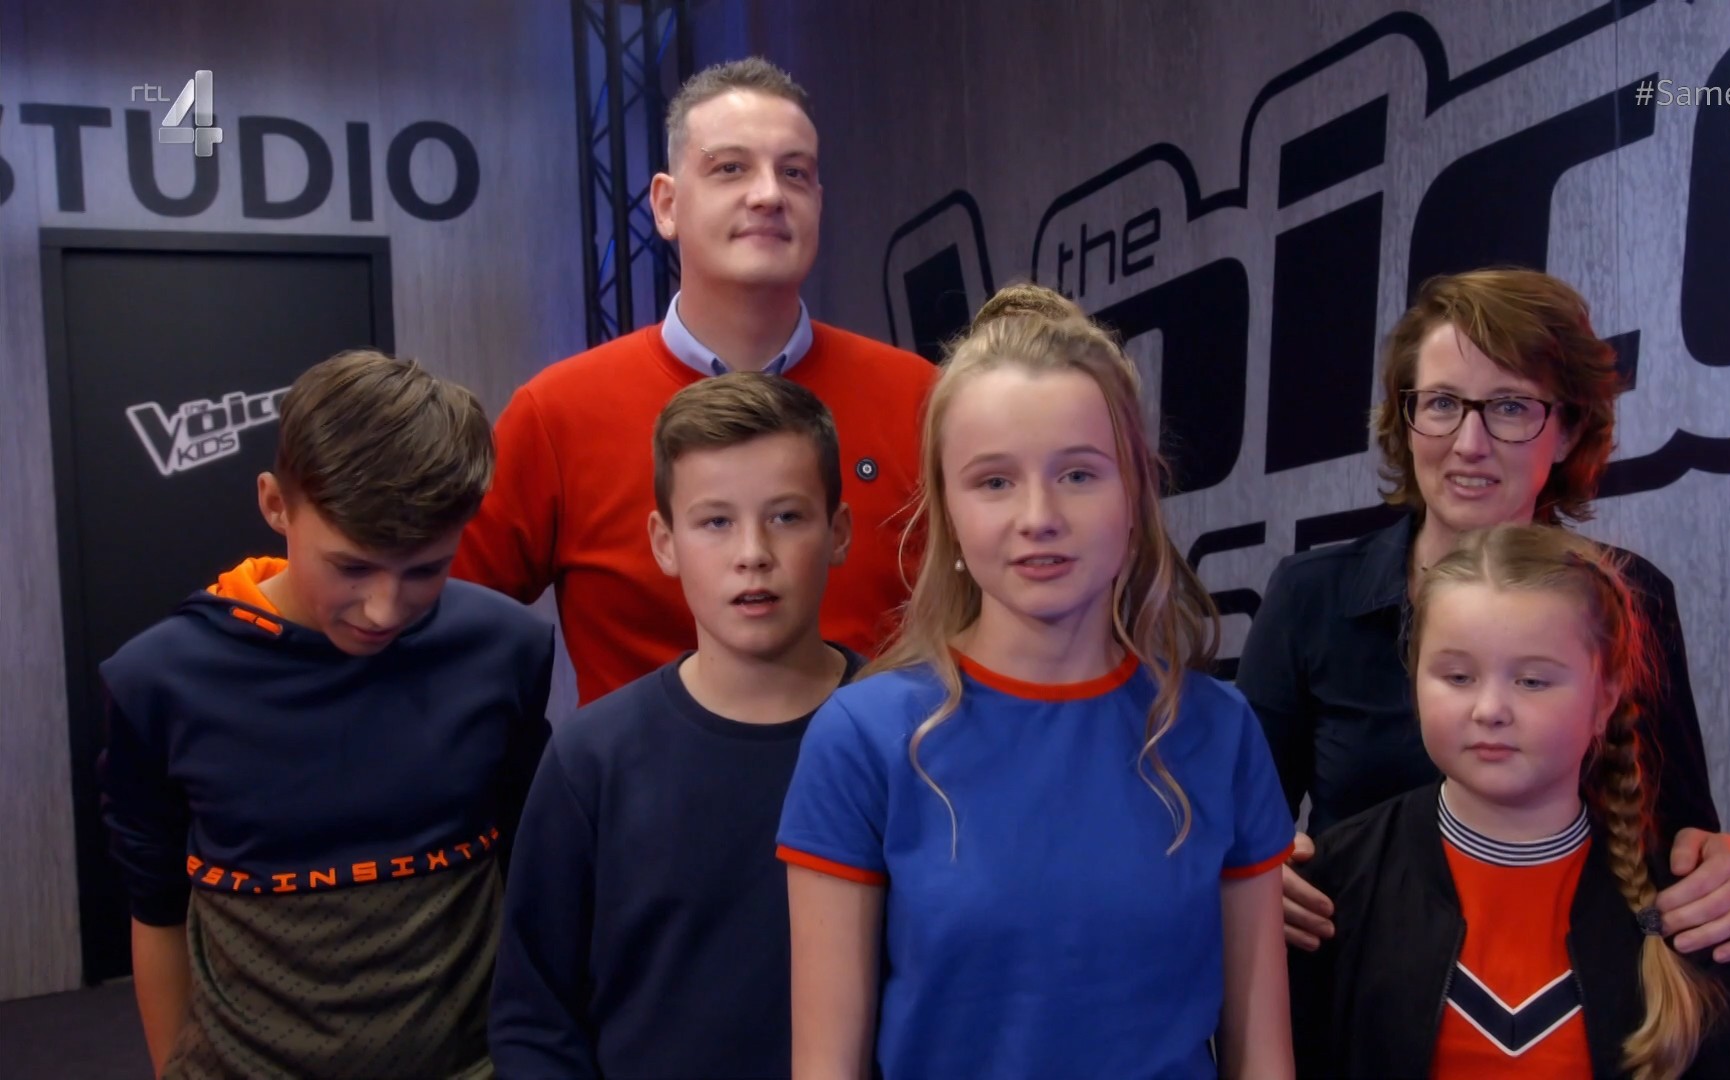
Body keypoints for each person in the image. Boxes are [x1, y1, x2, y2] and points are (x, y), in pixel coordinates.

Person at [777, 284, 1295, 1080]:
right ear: (949, 513)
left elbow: (1262, 1056)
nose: (1038, 515)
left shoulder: (1217, 731)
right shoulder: (862, 739)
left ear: (1135, 496)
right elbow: (825, 1065)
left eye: (1079, 475)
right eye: (994, 482)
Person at [1237, 268, 1730, 960]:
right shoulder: (1311, 595)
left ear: (1568, 431)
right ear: (1405, 419)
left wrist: (1722, 867)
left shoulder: (1631, 595)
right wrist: (1251, 877)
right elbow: (1236, 823)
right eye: (1442, 403)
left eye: (1511, 407)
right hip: (1359, 980)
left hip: (1564, 979)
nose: (1469, 443)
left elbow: (1679, 829)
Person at [98, 350, 555, 1079]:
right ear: (275, 504)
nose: (384, 609)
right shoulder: (158, 681)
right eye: (352, 566)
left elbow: (529, 873)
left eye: (425, 570)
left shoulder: (505, 649)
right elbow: (156, 908)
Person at [453, 56, 935, 706]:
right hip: (640, 773)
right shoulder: (558, 413)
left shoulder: (919, 399)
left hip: (884, 770)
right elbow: (443, 621)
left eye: (794, 172)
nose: (768, 194)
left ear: (818, 203)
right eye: (730, 168)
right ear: (666, 204)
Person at [1288, 523, 1730, 1079]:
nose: (1490, 710)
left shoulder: (1687, 903)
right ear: (1415, 679)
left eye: (1532, 682)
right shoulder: (1329, 889)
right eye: (1458, 676)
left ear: (1605, 698)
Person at [489, 373, 859, 1078]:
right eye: (715, 522)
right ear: (664, 542)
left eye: (786, 516)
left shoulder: (907, 738)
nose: (752, 552)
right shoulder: (590, 762)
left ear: (837, 532)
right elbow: (534, 1018)